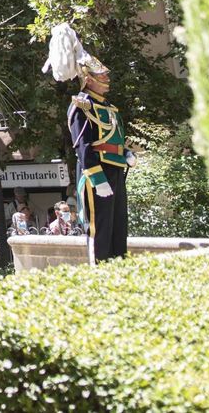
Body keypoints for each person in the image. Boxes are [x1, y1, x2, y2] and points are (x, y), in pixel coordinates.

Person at [43, 24, 132, 263]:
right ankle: (99, 276)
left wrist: (126, 153)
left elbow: (113, 137)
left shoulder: (109, 107)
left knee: (118, 228)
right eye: (102, 75)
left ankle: (118, 272)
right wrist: (98, 178)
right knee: (99, 230)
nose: (107, 78)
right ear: (89, 79)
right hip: (97, 175)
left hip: (115, 169)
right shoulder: (81, 106)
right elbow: (83, 147)